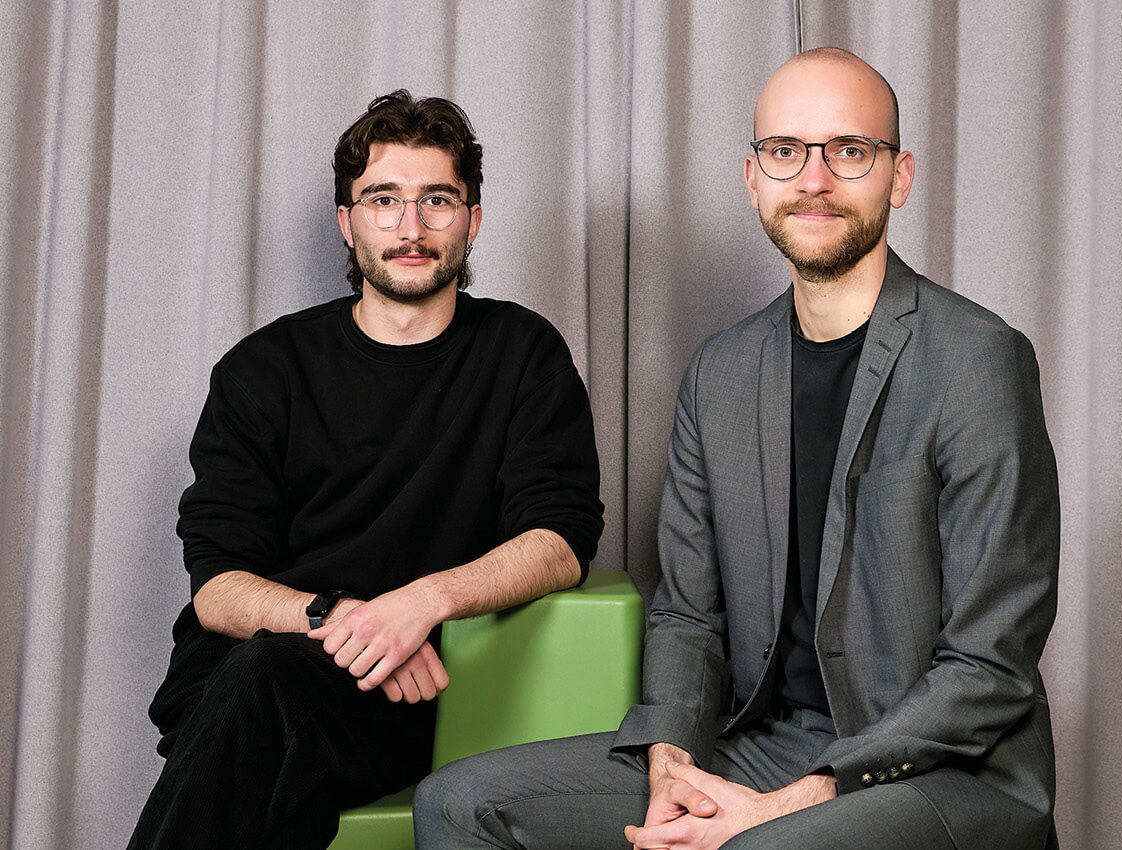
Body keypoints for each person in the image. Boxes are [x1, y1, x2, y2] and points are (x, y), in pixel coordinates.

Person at [414, 47, 1059, 849]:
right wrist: (673, 765)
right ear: (754, 177)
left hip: (943, 770)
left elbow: (989, 664)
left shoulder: (978, 360)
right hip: (765, 743)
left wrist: (797, 801)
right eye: (786, 151)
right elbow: (689, 613)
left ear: (899, 177)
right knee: (457, 803)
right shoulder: (720, 371)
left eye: (849, 151)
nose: (814, 179)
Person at [127, 91, 604, 850]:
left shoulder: (522, 356)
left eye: (436, 200)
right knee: (260, 686)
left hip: (402, 697)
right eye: (383, 201)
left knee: (261, 714)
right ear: (347, 223)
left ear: (472, 219)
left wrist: (418, 605)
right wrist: (347, 619)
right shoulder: (264, 370)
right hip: (250, 674)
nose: (410, 229)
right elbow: (218, 587)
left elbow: (561, 538)